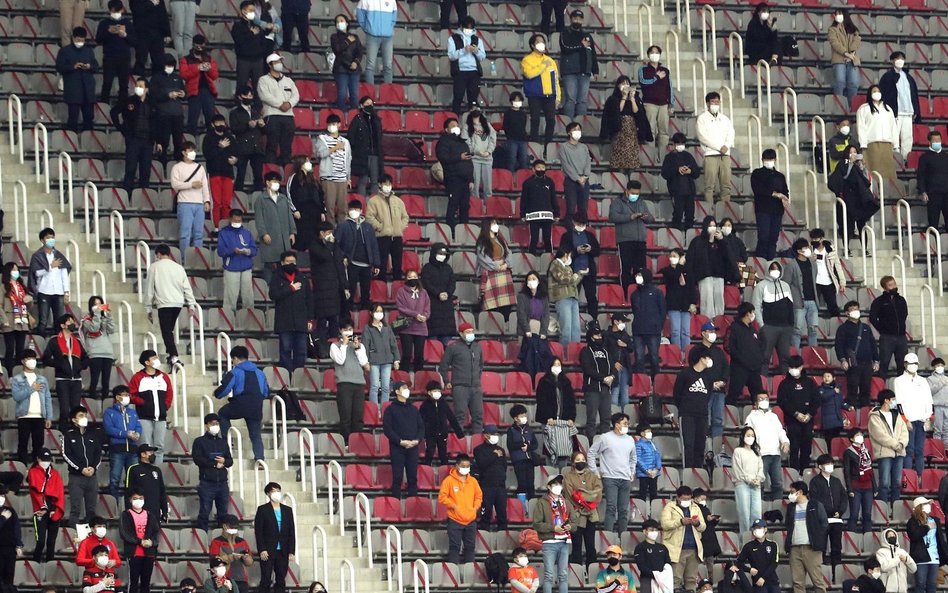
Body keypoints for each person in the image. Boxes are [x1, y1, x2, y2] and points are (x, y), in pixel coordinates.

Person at [214, 346, 268, 461]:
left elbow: (225, 390)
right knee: (255, 435)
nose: (233, 362)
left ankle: (228, 441)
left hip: (240, 404)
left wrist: (216, 393)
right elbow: (265, 392)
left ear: (236, 358)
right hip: (256, 407)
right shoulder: (260, 372)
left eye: (232, 360)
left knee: (222, 414)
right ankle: (260, 459)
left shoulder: (235, 372)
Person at [145, 244, 196, 364]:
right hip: (178, 303)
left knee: (166, 331)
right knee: (169, 330)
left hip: (164, 303)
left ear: (158, 254)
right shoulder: (179, 267)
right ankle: (170, 354)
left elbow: (149, 289)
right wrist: (191, 304)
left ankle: (174, 356)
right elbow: (187, 288)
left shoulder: (154, 267)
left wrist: (148, 307)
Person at [587, 413, 636, 536]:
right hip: (610, 478)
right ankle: (608, 536)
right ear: (616, 424)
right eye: (625, 423)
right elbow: (591, 453)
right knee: (611, 508)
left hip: (625, 478)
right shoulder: (605, 438)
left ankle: (622, 537)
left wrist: (632, 472)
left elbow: (633, 458)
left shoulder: (630, 439)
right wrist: (595, 471)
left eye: (627, 423)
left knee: (624, 510)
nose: (627, 425)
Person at [269, 251, 312, 374]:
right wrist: (290, 289)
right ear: (282, 263)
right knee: (285, 350)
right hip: (284, 322)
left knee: (301, 351)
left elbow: (309, 299)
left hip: (301, 321)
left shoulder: (303, 278)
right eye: (288, 262)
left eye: (293, 262)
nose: (291, 264)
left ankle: (297, 376)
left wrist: (310, 319)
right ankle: (287, 377)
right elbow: (273, 295)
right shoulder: (276, 277)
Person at [45, 314, 89, 429]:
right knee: (64, 409)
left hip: (76, 380)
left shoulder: (77, 341)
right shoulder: (54, 341)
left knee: (75, 410)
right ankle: (63, 434)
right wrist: (60, 365)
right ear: (62, 325)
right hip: (62, 379)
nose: (72, 323)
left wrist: (80, 366)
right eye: (69, 321)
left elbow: (86, 358)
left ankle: (74, 434)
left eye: (72, 321)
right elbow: (46, 358)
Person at [744, 391, 789, 502]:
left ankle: (777, 506)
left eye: (766, 399)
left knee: (778, 483)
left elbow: (780, 431)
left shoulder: (773, 416)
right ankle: (759, 507)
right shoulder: (751, 417)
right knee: (760, 483)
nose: (764, 401)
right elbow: (747, 436)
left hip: (775, 453)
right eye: (761, 399)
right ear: (755, 403)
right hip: (760, 454)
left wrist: (785, 442)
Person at [868, 390, 908, 514]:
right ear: (886, 400)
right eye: (893, 399)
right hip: (885, 453)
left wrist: (901, 444)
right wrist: (895, 444)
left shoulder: (897, 414)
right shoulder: (875, 416)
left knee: (897, 483)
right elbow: (879, 435)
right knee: (884, 483)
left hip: (899, 453)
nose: (894, 402)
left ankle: (895, 510)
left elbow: (904, 431)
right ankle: (883, 511)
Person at [784, 482, 828, 593]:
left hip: (811, 549)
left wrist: (817, 539)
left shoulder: (816, 505)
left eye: (792, 492)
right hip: (794, 549)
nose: (790, 494)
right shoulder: (790, 507)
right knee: (797, 583)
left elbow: (824, 524)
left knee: (818, 581)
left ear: (800, 492)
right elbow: (788, 525)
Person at [440, 322, 485, 432]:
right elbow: (443, 366)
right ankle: (458, 442)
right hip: (460, 387)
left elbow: (481, 365)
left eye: (472, 331)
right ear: (461, 334)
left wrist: (477, 379)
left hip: (475, 387)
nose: (471, 334)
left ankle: (477, 443)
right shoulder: (453, 347)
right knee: (459, 416)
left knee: (478, 416)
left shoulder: (477, 347)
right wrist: (446, 381)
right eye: (467, 332)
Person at [893, 352, 932, 479]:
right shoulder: (898, 381)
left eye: (915, 363)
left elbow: (928, 400)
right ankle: (908, 477)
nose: (913, 366)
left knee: (920, 450)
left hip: (921, 420)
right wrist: (905, 420)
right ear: (905, 365)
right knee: (909, 450)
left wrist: (928, 418)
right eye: (910, 363)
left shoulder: (923, 381)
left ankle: (920, 478)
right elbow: (899, 403)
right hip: (908, 420)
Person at [129, 350, 173, 461]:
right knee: (146, 447)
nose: (157, 360)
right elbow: (131, 395)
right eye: (154, 358)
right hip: (144, 417)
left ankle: (156, 471)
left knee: (159, 447)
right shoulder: (137, 377)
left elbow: (169, 393)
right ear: (147, 362)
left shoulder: (164, 377)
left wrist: (165, 406)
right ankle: (146, 471)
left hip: (161, 418)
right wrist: (144, 403)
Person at [382, 382, 424, 499]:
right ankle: (395, 502)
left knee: (412, 477)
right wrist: (399, 441)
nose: (407, 390)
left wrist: (417, 440)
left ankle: (412, 502)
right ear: (397, 392)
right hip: (397, 447)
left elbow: (421, 427)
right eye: (404, 388)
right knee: (397, 477)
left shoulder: (414, 409)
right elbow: (387, 429)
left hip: (413, 447)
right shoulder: (390, 410)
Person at [254, 172, 297, 284]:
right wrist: (263, 233)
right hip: (270, 237)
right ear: (267, 183)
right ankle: (268, 289)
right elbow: (259, 219)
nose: (276, 183)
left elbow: (289, 216)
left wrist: (292, 231)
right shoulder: (261, 199)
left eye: (278, 181)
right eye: (274, 181)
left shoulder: (283, 198)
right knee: (269, 265)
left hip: (283, 237)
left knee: (283, 264)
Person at [28, 227, 72, 338]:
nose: (51, 240)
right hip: (44, 291)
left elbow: (64, 274)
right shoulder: (37, 256)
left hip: (58, 292)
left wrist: (66, 292)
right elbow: (36, 273)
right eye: (48, 238)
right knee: (43, 320)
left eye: (52, 237)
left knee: (60, 320)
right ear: (42, 240)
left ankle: (58, 342)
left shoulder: (58, 255)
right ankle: (42, 343)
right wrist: (50, 267)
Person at [438, 455, 482, 564]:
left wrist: (475, 507)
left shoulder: (473, 481)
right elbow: (442, 497)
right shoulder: (448, 480)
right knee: (454, 547)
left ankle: (469, 571)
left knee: (470, 547)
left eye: (468, 466)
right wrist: (453, 506)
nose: (466, 468)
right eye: (463, 466)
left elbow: (479, 496)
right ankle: (453, 572)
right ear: (457, 466)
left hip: (471, 520)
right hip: (455, 520)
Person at [610, 180, 654, 290]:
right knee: (626, 268)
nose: (635, 195)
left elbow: (651, 219)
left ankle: (639, 292)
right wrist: (631, 216)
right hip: (625, 241)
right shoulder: (617, 202)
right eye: (633, 193)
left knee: (640, 270)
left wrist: (646, 217)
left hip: (640, 241)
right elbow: (613, 217)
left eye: (637, 193)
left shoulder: (641, 202)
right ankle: (625, 293)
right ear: (626, 191)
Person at [330, 323, 370, 446]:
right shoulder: (334, 346)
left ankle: (356, 442)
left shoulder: (359, 345)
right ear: (340, 331)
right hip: (344, 383)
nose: (348, 332)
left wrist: (357, 348)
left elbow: (364, 363)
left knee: (358, 415)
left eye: (350, 330)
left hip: (359, 383)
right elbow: (340, 360)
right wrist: (344, 345)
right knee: (346, 414)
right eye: (345, 330)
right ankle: (346, 442)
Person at [777, 356, 819, 472]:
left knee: (806, 448)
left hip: (807, 421)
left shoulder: (810, 382)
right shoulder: (784, 384)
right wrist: (795, 414)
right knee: (794, 448)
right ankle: (794, 473)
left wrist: (809, 414)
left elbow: (816, 400)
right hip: (792, 421)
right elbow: (782, 401)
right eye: (791, 367)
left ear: (801, 367)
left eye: (796, 367)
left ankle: (805, 471)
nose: (793, 369)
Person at [661, 486, 706, 592]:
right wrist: (680, 522)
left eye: (688, 499)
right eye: (684, 499)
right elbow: (665, 524)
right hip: (676, 549)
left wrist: (697, 523)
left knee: (691, 580)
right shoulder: (670, 507)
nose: (687, 501)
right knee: (675, 579)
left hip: (694, 548)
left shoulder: (695, 507)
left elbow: (703, 527)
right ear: (678, 497)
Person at [192, 413, 233, 532]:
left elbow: (230, 461)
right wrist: (214, 463)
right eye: (212, 423)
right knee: (204, 512)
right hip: (207, 482)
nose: (215, 426)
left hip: (223, 483)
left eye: (217, 423)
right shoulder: (199, 442)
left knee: (223, 513)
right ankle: (202, 537)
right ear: (206, 425)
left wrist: (224, 461)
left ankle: (221, 538)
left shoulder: (223, 442)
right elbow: (197, 459)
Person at [309, 223, 348, 347]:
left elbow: (340, 265)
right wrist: (329, 245)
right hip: (321, 288)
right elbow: (323, 256)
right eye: (328, 232)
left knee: (334, 320)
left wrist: (345, 286)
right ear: (322, 233)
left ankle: (334, 345)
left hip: (334, 288)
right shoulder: (314, 245)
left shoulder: (334, 245)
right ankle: (322, 347)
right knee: (321, 320)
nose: (331, 235)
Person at [752, 261, 795, 373]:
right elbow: (756, 307)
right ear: (768, 270)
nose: (775, 271)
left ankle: (784, 383)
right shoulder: (761, 286)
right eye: (773, 269)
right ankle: (762, 384)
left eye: (777, 268)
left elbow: (790, 305)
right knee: (764, 357)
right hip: (769, 326)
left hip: (785, 327)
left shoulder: (785, 285)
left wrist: (791, 324)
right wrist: (762, 325)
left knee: (785, 357)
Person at [692, 322, 729, 452]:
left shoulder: (718, 351)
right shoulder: (696, 351)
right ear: (703, 333)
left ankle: (717, 448)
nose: (713, 333)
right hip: (703, 390)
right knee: (704, 419)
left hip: (719, 391)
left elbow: (726, 367)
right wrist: (709, 384)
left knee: (718, 419)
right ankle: (705, 447)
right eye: (710, 331)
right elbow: (694, 370)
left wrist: (723, 381)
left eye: (714, 331)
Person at [674, 349, 713, 468]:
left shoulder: (708, 377)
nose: (709, 360)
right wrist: (684, 408)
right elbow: (677, 394)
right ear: (701, 358)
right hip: (687, 415)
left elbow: (708, 394)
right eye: (707, 357)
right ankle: (688, 473)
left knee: (701, 445)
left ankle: (699, 472)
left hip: (702, 415)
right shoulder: (685, 374)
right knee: (688, 445)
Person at [834, 301, 878, 406]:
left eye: (856, 308)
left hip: (867, 364)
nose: (855, 311)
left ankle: (865, 415)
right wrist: (843, 360)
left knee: (866, 390)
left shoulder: (866, 327)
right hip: (853, 364)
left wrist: (876, 360)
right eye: (852, 309)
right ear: (847, 313)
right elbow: (838, 346)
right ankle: (851, 414)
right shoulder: (843, 328)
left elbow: (873, 344)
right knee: (852, 390)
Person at [171, 141, 212, 255]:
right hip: (185, 203)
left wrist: (207, 201)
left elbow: (205, 186)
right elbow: (175, 185)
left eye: (193, 150)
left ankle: (196, 256)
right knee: (185, 233)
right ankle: (184, 257)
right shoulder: (177, 167)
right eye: (190, 151)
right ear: (184, 152)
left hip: (199, 203)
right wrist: (191, 185)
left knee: (199, 234)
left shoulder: (200, 168)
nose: (192, 153)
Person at [12, 350, 53, 463]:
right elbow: (16, 396)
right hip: (24, 416)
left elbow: (47, 398)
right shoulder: (17, 379)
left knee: (38, 444)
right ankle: (22, 467)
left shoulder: (42, 379)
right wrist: (31, 389)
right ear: (23, 361)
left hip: (39, 416)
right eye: (29, 359)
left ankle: (36, 469)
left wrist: (49, 417)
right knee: (23, 443)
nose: (32, 361)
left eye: (34, 358)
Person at [62, 406, 101, 526]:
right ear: (74, 420)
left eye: (85, 415)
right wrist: (80, 469)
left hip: (92, 477)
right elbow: (66, 454)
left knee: (91, 510)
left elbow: (98, 453)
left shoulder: (92, 434)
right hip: (76, 478)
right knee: (75, 509)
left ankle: (92, 536)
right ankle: (72, 536)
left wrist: (93, 467)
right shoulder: (68, 435)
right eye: (81, 416)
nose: (84, 418)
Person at [254, 483, 296, 593]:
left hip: (283, 550)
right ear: (268, 493)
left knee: (281, 580)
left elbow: (291, 531)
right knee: (266, 580)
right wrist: (262, 549)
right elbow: (259, 532)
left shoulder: (288, 510)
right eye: (273, 491)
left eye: (278, 490)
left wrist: (291, 550)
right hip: (267, 550)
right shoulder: (262, 509)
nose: (276, 493)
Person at [532, 475, 571, 593]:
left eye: (559, 484)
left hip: (564, 542)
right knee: (549, 575)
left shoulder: (566, 503)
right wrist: (554, 528)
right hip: (549, 542)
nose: (558, 486)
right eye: (554, 484)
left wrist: (571, 526)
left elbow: (575, 520)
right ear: (548, 486)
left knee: (563, 575)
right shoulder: (542, 503)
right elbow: (537, 524)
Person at [103, 386, 142, 501]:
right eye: (124, 395)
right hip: (117, 449)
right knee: (115, 477)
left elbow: (138, 426)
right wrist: (125, 434)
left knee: (133, 478)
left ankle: (130, 502)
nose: (127, 397)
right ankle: (113, 502)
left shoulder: (133, 412)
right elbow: (109, 429)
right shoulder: (109, 412)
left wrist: (137, 434)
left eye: (127, 395)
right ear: (117, 397)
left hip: (132, 449)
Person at [685, 217, 729, 320]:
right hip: (704, 275)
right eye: (710, 226)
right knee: (707, 301)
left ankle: (719, 323)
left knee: (719, 302)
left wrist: (722, 240)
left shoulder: (720, 242)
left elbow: (727, 255)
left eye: (714, 226)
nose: (712, 228)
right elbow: (691, 259)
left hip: (719, 275)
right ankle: (707, 326)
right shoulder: (697, 241)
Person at [366, 175, 408, 281]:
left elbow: (405, 217)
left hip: (397, 237)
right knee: (382, 264)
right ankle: (381, 286)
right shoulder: (373, 201)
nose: (388, 186)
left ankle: (397, 287)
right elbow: (369, 217)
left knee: (397, 264)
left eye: (389, 184)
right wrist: (379, 227)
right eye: (385, 184)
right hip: (382, 236)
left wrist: (400, 227)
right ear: (380, 185)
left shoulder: (398, 201)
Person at [258, 54, 299, 165]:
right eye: (276, 62)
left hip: (288, 116)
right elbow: (265, 96)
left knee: (286, 147)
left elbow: (296, 95)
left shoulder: (288, 80)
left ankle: (285, 172)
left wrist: (289, 104)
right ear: (270, 65)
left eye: (280, 61)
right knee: (272, 145)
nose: (279, 64)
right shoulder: (263, 80)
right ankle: (271, 172)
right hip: (272, 116)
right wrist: (280, 104)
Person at [809, 454, 847, 571]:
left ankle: (837, 572)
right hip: (823, 520)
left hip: (837, 520)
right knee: (822, 547)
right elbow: (815, 500)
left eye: (831, 463)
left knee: (837, 548)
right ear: (820, 466)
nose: (830, 466)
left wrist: (840, 511)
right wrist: (828, 511)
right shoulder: (815, 481)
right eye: (827, 464)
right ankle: (824, 573)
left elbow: (843, 497)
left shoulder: (836, 481)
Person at [521, 34, 560, 149]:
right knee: (535, 119)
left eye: (543, 41)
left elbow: (556, 79)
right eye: (538, 42)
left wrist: (557, 97)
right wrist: (542, 66)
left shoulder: (550, 60)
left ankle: (548, 146)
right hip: (535, 95)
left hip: (550, 95)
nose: (541, 44)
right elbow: (529, 74)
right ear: (532, 45)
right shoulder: (527, 59)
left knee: (551, 121)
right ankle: (535, 145)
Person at [57, 28, 99, 133]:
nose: (80, 42)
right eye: (78, 39)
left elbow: (96, 67)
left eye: (82, 40)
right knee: (73, 119)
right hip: (73, 89)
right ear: (73, 38)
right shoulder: (64, 51)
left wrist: (89, 66)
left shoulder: (89, 51)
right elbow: (59, 67)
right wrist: (73, 66)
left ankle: (88, 140)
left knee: (89, 119)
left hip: (87, 90)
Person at [879, 52, 921, 159]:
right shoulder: (887, 77)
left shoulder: (909, 77)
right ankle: (895, 158)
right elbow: (884, 94)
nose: (900, 60)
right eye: (897, 58)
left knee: (907, 138)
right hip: (895, 112)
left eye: (902, 58)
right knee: (894, 136)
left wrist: (916, 110)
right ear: (892, 61)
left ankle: (906, 158)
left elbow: (914, 95)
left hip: (908, 112)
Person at [558, 214, 600, 319]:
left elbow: (598, 251)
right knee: (572, 297)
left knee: (591, 297)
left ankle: (593, 320)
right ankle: (571, 318)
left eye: (583, 224)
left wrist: (591, 249)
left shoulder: (590, 236)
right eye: (579, 223)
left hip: (588, 271)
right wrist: (576, 251)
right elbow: (562, 254)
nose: (581, 225)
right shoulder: (567, 236)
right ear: (573, 222)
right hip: (573, 272)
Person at [217, 210, 257, 320]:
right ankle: (228, 320)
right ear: (230, 219)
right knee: (230, 297)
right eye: (235, 220)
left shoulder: (247, 233)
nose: (237, 222)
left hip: (246, 267)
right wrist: (232, 250)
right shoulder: (223, 233)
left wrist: (248, 251)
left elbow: (254, 250)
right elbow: (220, 251)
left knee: (248, 296)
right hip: (231, 268)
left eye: (239, 220)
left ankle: (249, 320)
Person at [563, 451, 600, 567]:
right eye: (578, 460)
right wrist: (585, 498)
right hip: (576, 514)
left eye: (583, 459)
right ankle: (576, 573)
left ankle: (592, 570)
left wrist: (584, 497)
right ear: (573, 462)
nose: (581, 462)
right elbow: (570, 495)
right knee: (577, 545)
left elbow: (597, 493)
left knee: (590, 545)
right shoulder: (568, 477)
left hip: (591, 515)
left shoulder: (593, 476)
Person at [751, 149, 790, 261]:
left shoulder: (780, 176)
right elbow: (758, 189)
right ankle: (760, 262)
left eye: (771, 159)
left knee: (773, 238)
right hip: (763, 209)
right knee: (763, 237)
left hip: (777, 210)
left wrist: (785, 198)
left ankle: (770, 262)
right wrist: (775, 194)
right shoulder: (757, 173)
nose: (769, 161)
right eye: (767, 159)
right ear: (762, 160)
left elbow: (785, 190)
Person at [696, 92, 735, 203]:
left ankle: (725, 211)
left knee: (726, 185)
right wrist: (719, 147)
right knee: (709, 186)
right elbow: (703, 137)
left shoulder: (725, 119)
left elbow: (731, 133)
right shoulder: (702, 118)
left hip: (725, 155)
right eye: (713, 102)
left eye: (717, 102)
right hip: (710, 154)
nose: (715, 104)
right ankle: (710, 212)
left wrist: (726, 146)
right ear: (707, 103)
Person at [26, 448, 64, 562]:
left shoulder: (55, 474)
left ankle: (50, 566)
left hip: (54, 510)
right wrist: (46, 508)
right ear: (38, 459)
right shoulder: (33, 472)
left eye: (48, 460)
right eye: (43, 459)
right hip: (40, 511)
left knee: (51, 543)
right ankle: (35, 564)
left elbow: (59, 492)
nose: (46, 462)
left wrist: (54, 509)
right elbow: (37, 492)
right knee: (41, 541)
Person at [559, 10, 598, 118]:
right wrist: (581, 45)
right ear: (571, 19)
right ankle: (569, 126)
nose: (577, 20)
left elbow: (592, 53)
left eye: (579, 19)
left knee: (582, 101)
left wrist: (595, 70)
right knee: (570, 100)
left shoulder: (587, 35)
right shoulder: (565, 33)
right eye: (575, 18)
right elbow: (565, 48)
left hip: (584, 72)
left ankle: (580, 126)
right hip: (569, 72)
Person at [436, 118, 474, 229]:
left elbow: (469, 162)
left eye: (457, 125)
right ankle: (450, 230)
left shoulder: (463, 143)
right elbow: (443, 157)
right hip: (453, 178)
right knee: (453, 204)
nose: (456, 127)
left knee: (465, 206)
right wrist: (459, 157)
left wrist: (471, 179)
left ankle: (463, 230)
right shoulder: (443, 142)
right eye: (452, 125)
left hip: (465, 180)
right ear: (446, 129)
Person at [856, 85, 898, 182]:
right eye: (874, 91)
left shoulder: (888, 109)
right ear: (870, 94)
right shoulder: (864, 108)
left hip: (887, 144)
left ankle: (888, 192)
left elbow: (893, 127)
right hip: (872, 144)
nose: (877, 93)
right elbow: (861, 127)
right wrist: (863, 144)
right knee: (873, 172)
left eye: (878, 91)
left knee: (888, 173)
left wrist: (895, 144)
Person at [120, 489, 159, 593]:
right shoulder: (126, 515)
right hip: (134, 553)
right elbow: (124, 533)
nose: (138, 500)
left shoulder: (150, 515)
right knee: (133, 582)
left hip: (149, 553)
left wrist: (151, 542)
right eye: (135, 498)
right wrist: (139, 541)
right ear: (130, 500)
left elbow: (156, 532)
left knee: (146, 583)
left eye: (140, 498)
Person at [906, 496, 948, 593]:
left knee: (932, 585)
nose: (928, 506)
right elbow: (914, 536)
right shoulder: (912, 522)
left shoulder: (935, 520)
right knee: (920, 584)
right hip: (921, 558)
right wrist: (927, 528)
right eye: (925, 504)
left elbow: (940, 539)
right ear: (919, 507)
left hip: (934, 557)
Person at [150, 54, 186, 167]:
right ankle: (163, 165)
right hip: (163, 115)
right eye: (168, 65)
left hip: (177, 114)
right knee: (163, 142)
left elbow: (185, 93)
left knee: (178, 143)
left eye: (172, 65)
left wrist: (183, 94)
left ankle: (178, 165)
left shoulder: (178, 78)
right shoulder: (156, 78)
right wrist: (167, 95)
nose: (170, 67)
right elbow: (153, 95)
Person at [599, 76, 641, 172]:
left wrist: (632, 99)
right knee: (620, 159)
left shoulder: (634, 98)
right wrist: (624, 97)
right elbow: (618, 110)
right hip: (618, 130)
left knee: (631, 157)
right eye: (623, 83)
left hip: (631, 130)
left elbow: (636, 111)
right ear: (618, 85)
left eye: (627, 83)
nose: (625, 86)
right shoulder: (613, 99)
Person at [203, 116, 238, 229]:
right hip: (214, 173)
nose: (220, 124)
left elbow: (236, 154)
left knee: (226, 202)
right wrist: (220, 147)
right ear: (213, 124)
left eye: (222, 122)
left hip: (228, 173)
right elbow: (208, 155)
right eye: (217, 122)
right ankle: (216, 227)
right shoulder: (208, 138)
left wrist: (235, 160)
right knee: (217, 203)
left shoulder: (230, 137)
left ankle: (226, 226)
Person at [315, 116, 351, 225]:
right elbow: (320, 154)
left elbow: (348, 160)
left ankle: (342, 231)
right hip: (328, 178)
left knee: (342, 208)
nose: (332, 126)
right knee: (329, 207)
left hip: (341, 178)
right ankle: (330, 232)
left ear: (339, 124)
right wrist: (335, 148)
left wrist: (348, 178)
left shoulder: (345, 141)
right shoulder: (322, 139)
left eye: (334, 124)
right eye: (330, 124)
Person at [869, 276, 909, 377]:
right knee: (884, 363)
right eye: (890, 285)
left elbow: (905, 314)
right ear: (885, 287)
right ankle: (882, 388)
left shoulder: (901, 300)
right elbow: (873, 318)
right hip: (887, 337)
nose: (894, 287)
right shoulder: (879, 301)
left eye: (894, 284)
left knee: (903, 365)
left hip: (901, 337)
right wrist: (882, 329)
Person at [475, 220, 515, 319]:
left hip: (504, 274)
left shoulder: (500, 240)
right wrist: (497, 266)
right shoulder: (482, 242)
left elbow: (509, 253)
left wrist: (506, 264)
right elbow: (483, 259)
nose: (496, 225)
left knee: (505, 303)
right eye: (493, 224)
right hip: (490, 274)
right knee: (492, 304)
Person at [179, 36, 218, 135]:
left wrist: (208, 68)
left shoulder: (209, 59)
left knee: (211, 119)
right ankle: (190, 143)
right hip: (194, 92)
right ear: (193, 44)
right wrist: (198, 68)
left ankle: (211, 141)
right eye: (197, 44)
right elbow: (184, 75)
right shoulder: (185, 59)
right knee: (192, 119)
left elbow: (215, 75)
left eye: (202, 44)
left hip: (208, 92)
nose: (200, 46)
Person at [97, 2, 136, 103]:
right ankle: (104, 106)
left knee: (124, 85)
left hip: (124, 58)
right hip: (109, 57)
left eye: (117, 10)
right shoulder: (104, 23)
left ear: (122, 10)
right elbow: (98, 39)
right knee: (107, 83)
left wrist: (125, 35)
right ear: (110, 10)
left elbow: (134, 41)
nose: (116, 12)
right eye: (113, 10)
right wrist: (108, 32)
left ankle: (123, 108)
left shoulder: (127, 23)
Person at [659, 250, 694, 360]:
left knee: (685, 332)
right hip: (673, 304)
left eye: (674, 256)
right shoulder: (667, 271)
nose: (671, 258)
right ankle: (677, 354)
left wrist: (692, 303)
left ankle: (686, 354)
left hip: (685, 305)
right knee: (675, 332)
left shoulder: (688, 270)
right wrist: (679, 266)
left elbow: (691, 288)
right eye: (670, 256)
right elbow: (674, 276)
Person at [362, 304, 400, 408]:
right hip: (373, 361)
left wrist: (396, 359)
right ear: (371, 313)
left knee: (386, 387)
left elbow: (393, 344)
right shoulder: (367, 328)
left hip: (387, 360)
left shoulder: (387, 328)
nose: (379, 313)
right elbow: (365, 345)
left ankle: (384, 409)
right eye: (377, 311)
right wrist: (365, 362)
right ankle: (373, 410)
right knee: (374, 386)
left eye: (381, 311)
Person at [726, 303, 765, 403]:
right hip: (739, 368)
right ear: (747, 314)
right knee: (733, 395)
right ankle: (729, 417)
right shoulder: (734, 328)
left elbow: (760, 345)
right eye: (752, 312)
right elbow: (728, 346)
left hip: (754, 369)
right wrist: (741, 359)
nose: (753, 315)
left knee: (758, 397)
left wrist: (759, 359)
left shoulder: (753, 329)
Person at [447, 17, 486, 117]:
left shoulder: (477, 40)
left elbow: (482, 57)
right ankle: (454, 121)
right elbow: (451, 56)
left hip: (474, 71)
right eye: (466, 28)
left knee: (473, 99)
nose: (469, 30)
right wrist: (463, 50)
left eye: (471, 29)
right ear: (461, 27)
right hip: (460, 71)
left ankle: (473, 122)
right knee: (458, 96)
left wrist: (476, 51)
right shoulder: (453, 39)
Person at [230, 86, 266, 192]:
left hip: (256, 147)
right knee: (240, 174)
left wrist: (262, 125)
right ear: (240, 97)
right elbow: (234, 129)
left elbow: (264, 131)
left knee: (258, 176)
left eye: (251, 95)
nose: (249, 97)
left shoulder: (255, 112)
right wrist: (247, 125)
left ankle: (259, 197)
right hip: (243, 147)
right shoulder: (235, 113)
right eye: (246, 95)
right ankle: (238, 196)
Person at [516, 273, 552, 379]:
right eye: (529, 279)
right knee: (528, 355)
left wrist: (544, 331)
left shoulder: (544, 297)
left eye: (534, 278)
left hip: (539, 328)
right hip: (526, 328)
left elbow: (546, 315)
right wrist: (527, 330)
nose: (531, 281)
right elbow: (521, 314)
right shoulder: (522, 296)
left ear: (538, 281)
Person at [580, 327, 615, 437]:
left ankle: (606, 445)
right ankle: (591, 444)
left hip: (606, 388)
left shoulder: (606, 351)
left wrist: (612, 377)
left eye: (600, 335)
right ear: (591, 337)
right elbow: (587, 368)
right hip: (592, 389)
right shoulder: (585, 351)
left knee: (606, 419)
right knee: (592, 419)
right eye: (596, 335)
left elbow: (613, 366)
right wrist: (603, 378)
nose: (599, 337)